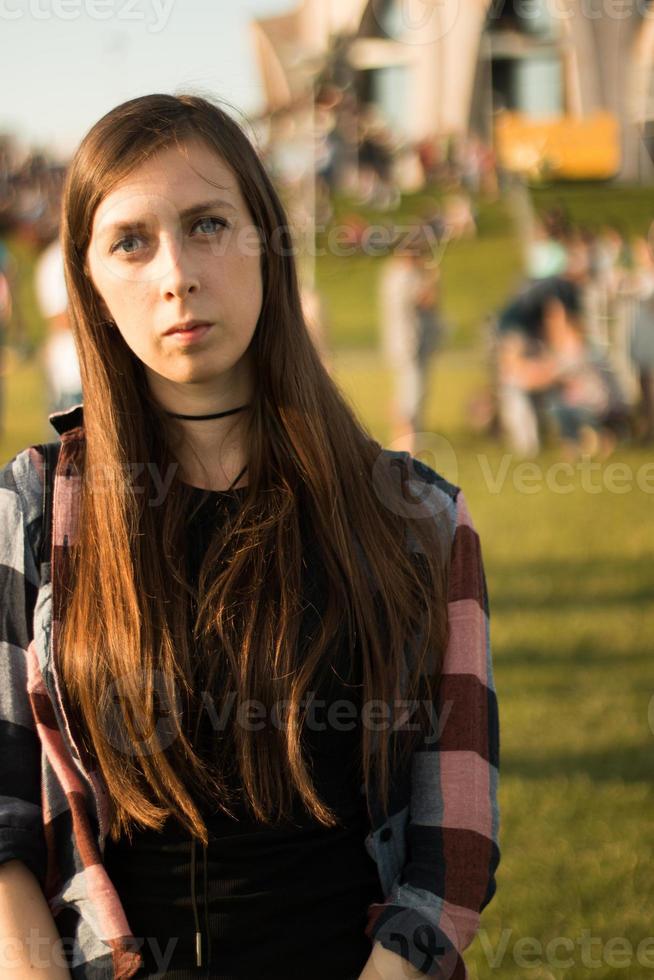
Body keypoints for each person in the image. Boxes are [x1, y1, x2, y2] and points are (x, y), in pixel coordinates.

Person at [0, 94, 499, 980]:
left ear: (269, 244)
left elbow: (453, 843)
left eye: (207, 225)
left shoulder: (417, 517)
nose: (176, 274)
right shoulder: (31, 512)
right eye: (131, 241)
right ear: (88, 282)